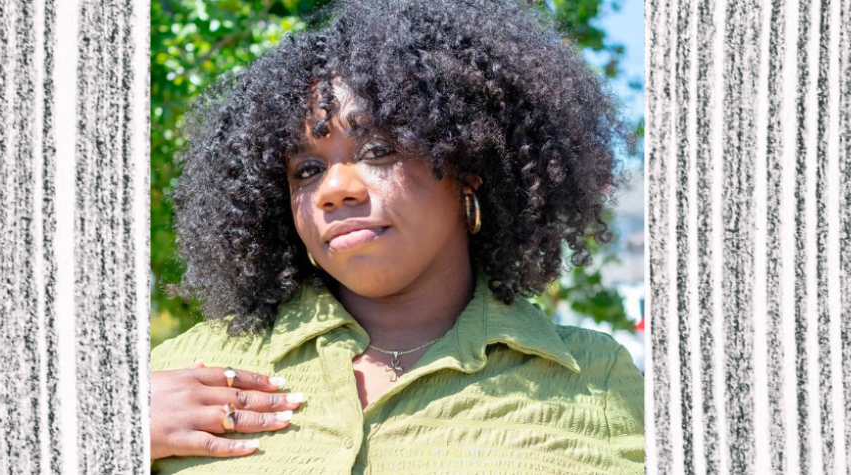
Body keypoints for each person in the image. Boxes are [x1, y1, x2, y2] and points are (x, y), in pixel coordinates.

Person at [150, 0, 644, 473]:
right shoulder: (177, 375)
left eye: (379, 150)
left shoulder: (599, 379)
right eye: (306, 170)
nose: (334, 189)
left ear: (466, 169)